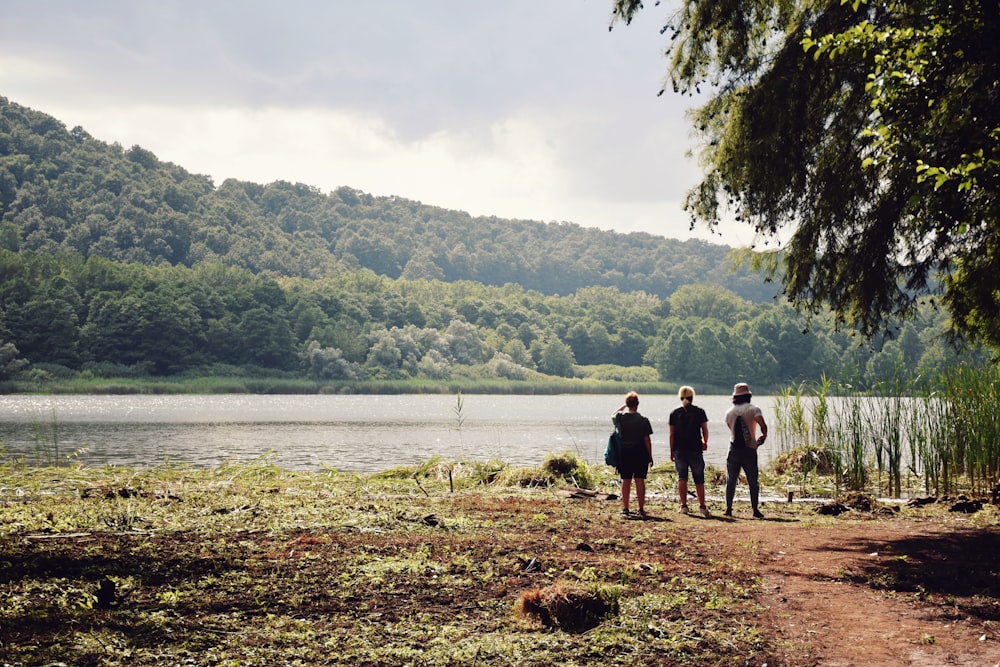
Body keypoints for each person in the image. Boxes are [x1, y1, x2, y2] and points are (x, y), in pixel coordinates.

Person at [724, 382, 768, 518]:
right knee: (752, 480)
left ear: (735, 397)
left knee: (731, 479)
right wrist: (763, 435)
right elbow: (762, 424)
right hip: (749, 449)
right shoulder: (754, 409)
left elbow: (729, 427)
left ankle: (728, 508)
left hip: (733, 448)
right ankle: (755, 509)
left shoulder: (729, 412)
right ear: (748, 395)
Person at [668, 386, 711, 517]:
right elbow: (705, 430)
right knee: (699, 478)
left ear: (680, 398)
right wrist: (705, 442)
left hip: (679, 449)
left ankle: (684, 505)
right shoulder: (699, 412)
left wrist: (671, 451)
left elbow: (672, 435)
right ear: (692, 398)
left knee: (682, 477)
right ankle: (702, 506)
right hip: (695, 449)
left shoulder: (674, 413)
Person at [613, 391, 653, 518]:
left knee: (626, 480)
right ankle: (641, 509)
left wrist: (623, 406)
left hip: (625, 453)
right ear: (638, 404)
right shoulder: (643, 420)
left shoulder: (620, 418)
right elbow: (647, 439)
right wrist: (650, 455)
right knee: (640, 480)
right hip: (640, 453)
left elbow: (613, 414)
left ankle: (626, 508)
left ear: (627, 404)